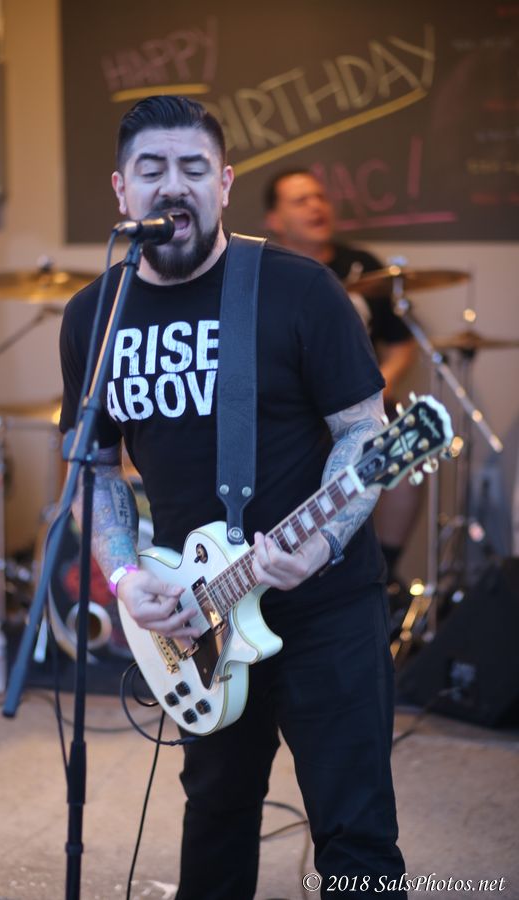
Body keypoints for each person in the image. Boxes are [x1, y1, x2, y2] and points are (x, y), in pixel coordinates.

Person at [59, 96, 407, 899]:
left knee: (355, 835)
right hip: (200, 612)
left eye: (193, 168)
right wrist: (126, 578)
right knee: (215, 822)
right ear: (121, 189)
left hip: (324, 605)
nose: (172, 185)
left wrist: (320, 542)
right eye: (151, 168)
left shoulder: (299, 289)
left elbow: (365, 433)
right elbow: (95, 471)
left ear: (223, 183)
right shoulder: (95, 316)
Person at [264, 169, 419, 587]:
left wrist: (377, 387)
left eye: (320, 197)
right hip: (290, 408)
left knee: (400, 452)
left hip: (357, 400)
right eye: (301, 200)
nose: (316, 206)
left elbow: (401, 344)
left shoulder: (361, 267)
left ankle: (388, 572)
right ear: (274, 219)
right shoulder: (262, 272)